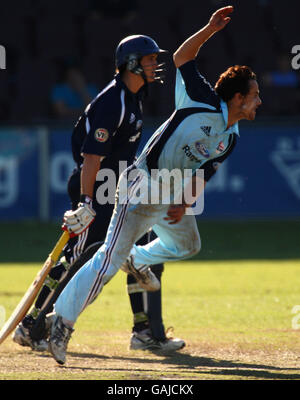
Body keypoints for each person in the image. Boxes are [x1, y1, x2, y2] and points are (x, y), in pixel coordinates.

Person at [47, 5, 262, 365]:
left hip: (171, 192)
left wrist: (184, 201)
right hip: (141, 185)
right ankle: (62, 322)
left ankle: (136, 258)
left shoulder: (232, 137)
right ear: (237, 98)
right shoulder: (201, 98)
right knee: (105, 263)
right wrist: (210, 29)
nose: (259, 100)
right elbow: (181, 56)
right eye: (254, 94)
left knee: (189, 244)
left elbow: (203, 172)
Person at [13, 34, 184, 353]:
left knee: (139, 251)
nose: (154, 65)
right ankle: (31, 326)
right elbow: (92, 159)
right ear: (131, 63)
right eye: (148, 60)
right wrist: (87, 203)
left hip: (119, 186)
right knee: (79, 257)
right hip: (96, 186)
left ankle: (143, 331)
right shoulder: (113, 101)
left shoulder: (135, 96)